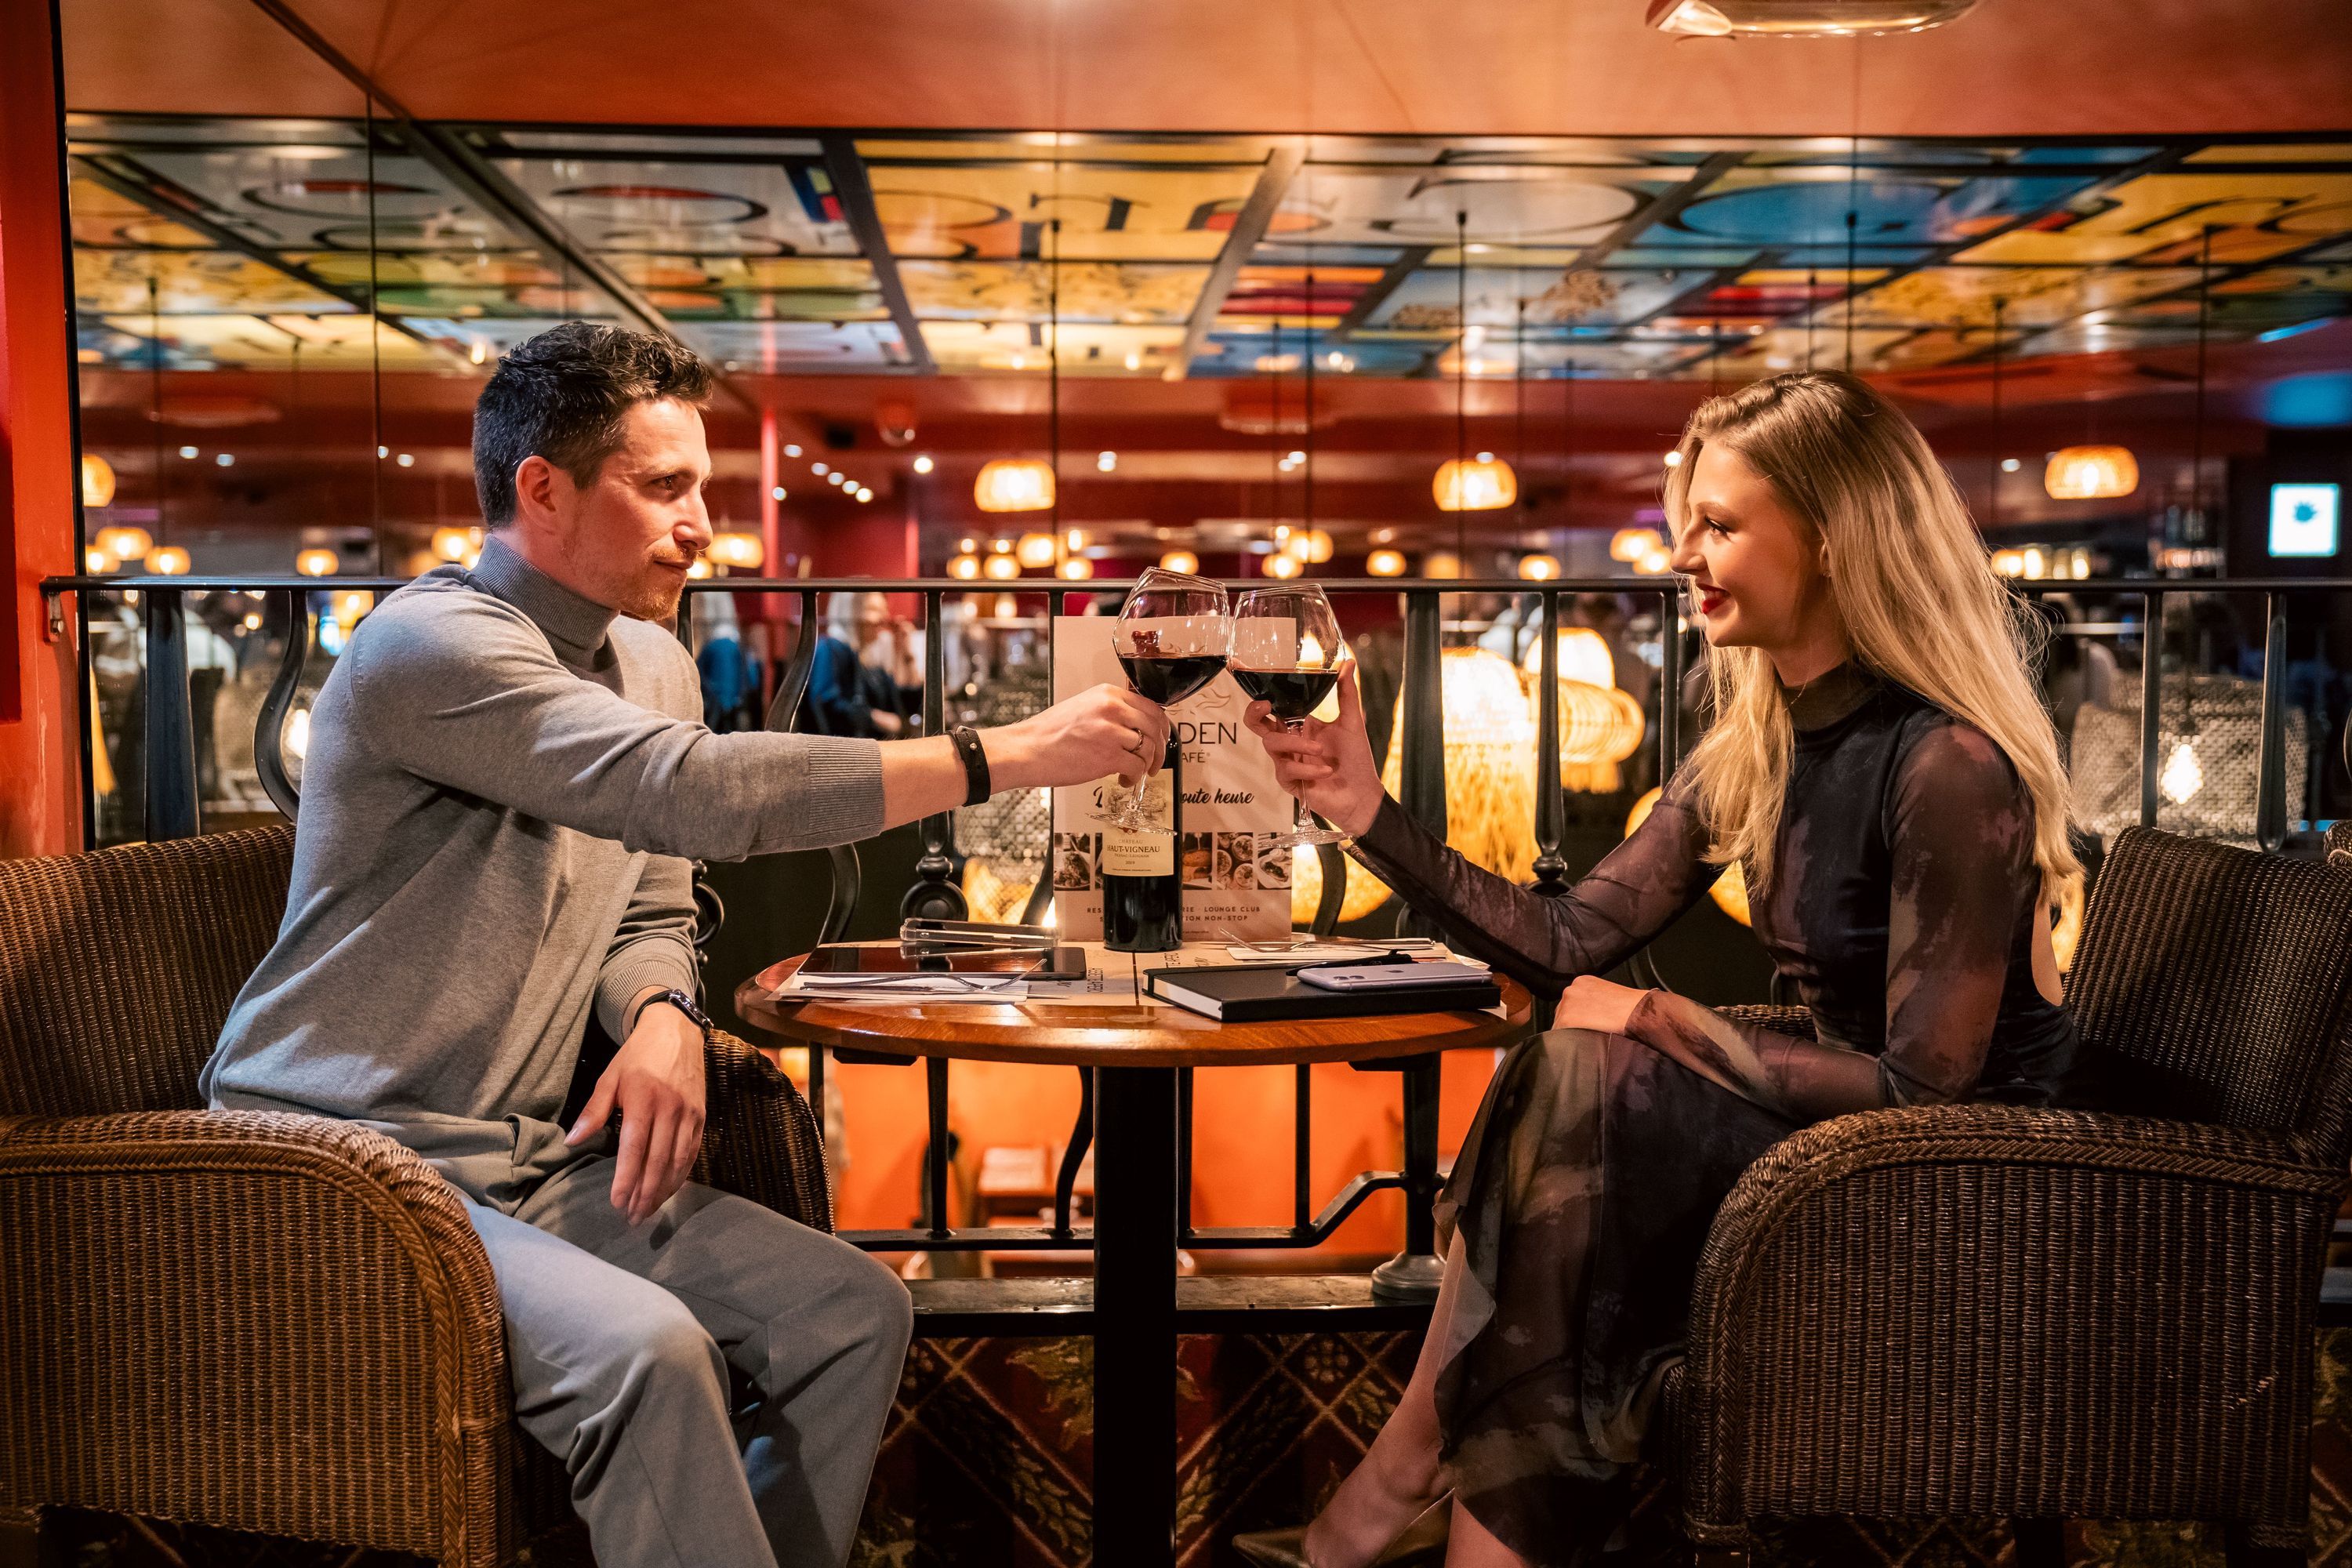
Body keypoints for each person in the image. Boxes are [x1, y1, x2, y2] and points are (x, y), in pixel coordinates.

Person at [200, 321, 1171, 1568]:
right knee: (649, 1357)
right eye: (662, 487)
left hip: (525, 1159)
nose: (702, 524)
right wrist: (1006, 755)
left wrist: (661, 1013)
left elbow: (653, 901)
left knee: (851, 1312)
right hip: (342, 1162)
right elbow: (690, 795)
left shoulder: (655, 661)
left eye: (701, 486)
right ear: (543, 491)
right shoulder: (429, 647)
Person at [1236, 369, 2082, 1568]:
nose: (1682, 557)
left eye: (1718, 526)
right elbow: (1567, 940)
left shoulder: (1946, 761)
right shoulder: (1768, 733)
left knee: (1587, 1076)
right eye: (1687, 525)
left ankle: (1408, 1486)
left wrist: (1650, 1015)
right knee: (1566, 1075)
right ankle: (1425, 1487)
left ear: (1832, 539)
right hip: (1823, 1153)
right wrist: (1364, 808)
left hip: (1954, 1200)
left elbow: (1924, 1092)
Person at [809, 590, 913, 737]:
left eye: (884, 610)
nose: (884, 617)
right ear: (850, 610)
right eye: (873, 609)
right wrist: (874, 718)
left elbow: (904, 705)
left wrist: (906, 652)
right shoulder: (830, 648)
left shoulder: (867, 658)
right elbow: (827, 703)